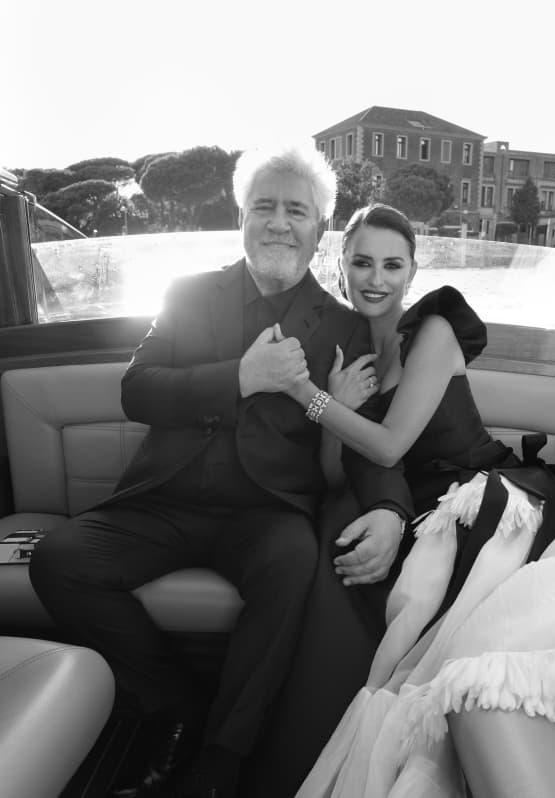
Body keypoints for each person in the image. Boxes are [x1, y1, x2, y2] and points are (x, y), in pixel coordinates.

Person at [28, 155, 413, 798]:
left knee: (293, 563)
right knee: (58, 560)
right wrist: (242, 377)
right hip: (162, 501)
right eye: (265, 206)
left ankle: (221, 761)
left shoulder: (346, 326)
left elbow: (367, 439)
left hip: (265, 514)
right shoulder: (186, 293)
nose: (279, 223)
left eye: (297, 211)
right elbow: (138, 391)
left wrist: (391, 510)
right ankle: (173, 705)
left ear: (319, 230)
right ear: (242, 217)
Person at [273, 203, 555, 797]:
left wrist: (307, 395)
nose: (376, 278)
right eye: (362, 262)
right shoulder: (348, 349)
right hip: (420, 513)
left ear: (412, 272)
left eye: (392, 265)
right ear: (339, 265)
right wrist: (331, 403)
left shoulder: (433, 330)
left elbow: (389, 449)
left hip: (482, 496)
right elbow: (332, 474)